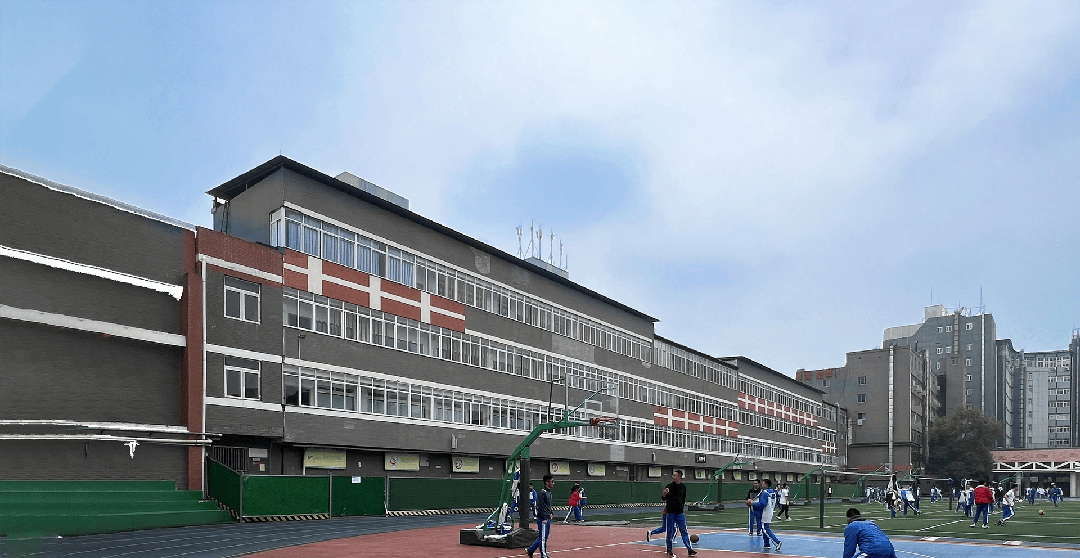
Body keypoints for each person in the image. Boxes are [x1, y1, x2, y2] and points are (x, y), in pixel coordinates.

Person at [661, 470, 696, 556]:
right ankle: (669, 549)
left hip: (680, 513)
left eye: (674, 475)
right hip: (671, 513)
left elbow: (683, 499)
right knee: (670, 532)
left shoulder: (683, 487)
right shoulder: (669, 486)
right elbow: (663, 498)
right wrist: (664, 494)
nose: (673, 477)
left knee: (684, 531)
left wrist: (681, 507)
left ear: (679, 476)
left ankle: (690, 549)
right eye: (673, 475)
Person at [527, 475, 554, 558]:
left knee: (544, 536)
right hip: (543, 519)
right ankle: (544, 555)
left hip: (547, 518)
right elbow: (540, 507)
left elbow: (548, 505)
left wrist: (551, 512)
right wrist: (544, 518)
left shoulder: (549, 492)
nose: (553, 483)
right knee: (543, 538)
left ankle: (531, 550)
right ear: (547, 482)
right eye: (552, 481)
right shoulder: (543, 493)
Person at [753, 479, 783, 551]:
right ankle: (766, 544)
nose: (762, 484)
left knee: (765, 528)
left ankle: (777, 542)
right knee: (765, 528)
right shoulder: (773, 492)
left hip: (765, 512)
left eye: (763, 483)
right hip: (770, 511)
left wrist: (753, 504)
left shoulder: (764, 493)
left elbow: (762, 504)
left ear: (766, 484)